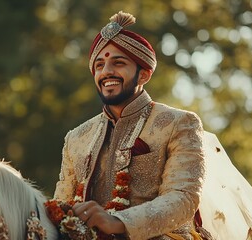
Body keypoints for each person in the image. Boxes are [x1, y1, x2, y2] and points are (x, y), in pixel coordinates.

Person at [53, 11, 206, 240]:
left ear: (144, 75)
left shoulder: (178, 123)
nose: (106, 72)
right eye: (100, 65)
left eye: (118, 63)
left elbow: (183, 198)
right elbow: (60, 207)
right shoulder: (77, 138)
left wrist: (117, 222)